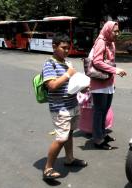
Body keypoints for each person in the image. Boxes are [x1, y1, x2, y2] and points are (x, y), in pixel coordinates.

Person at [42, 33, 87, 180]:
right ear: (54, 46)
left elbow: (71, 84)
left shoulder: (67, 63)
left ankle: (69, 159)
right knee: (61, 138)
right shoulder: (50, 64)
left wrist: (82, 87)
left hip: (72, 105)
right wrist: (68, 74)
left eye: (68, 48)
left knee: (69, 134)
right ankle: (48, 168)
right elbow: (52, 86)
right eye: (63, 48)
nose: (66, 51)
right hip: (60, 108)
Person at [90, 21, 127, 150]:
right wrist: (115, 71)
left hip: (108, 82)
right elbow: (97, 61)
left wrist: (113, 78)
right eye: (115, 31)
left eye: (118, 31)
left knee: (105, 110)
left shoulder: (111, 43)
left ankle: (103, 134)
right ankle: (98, 139)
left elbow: (110, 61)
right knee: (99, 111)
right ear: (107, 30)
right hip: (99, 83)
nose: (118, 33)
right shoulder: (101, 41)